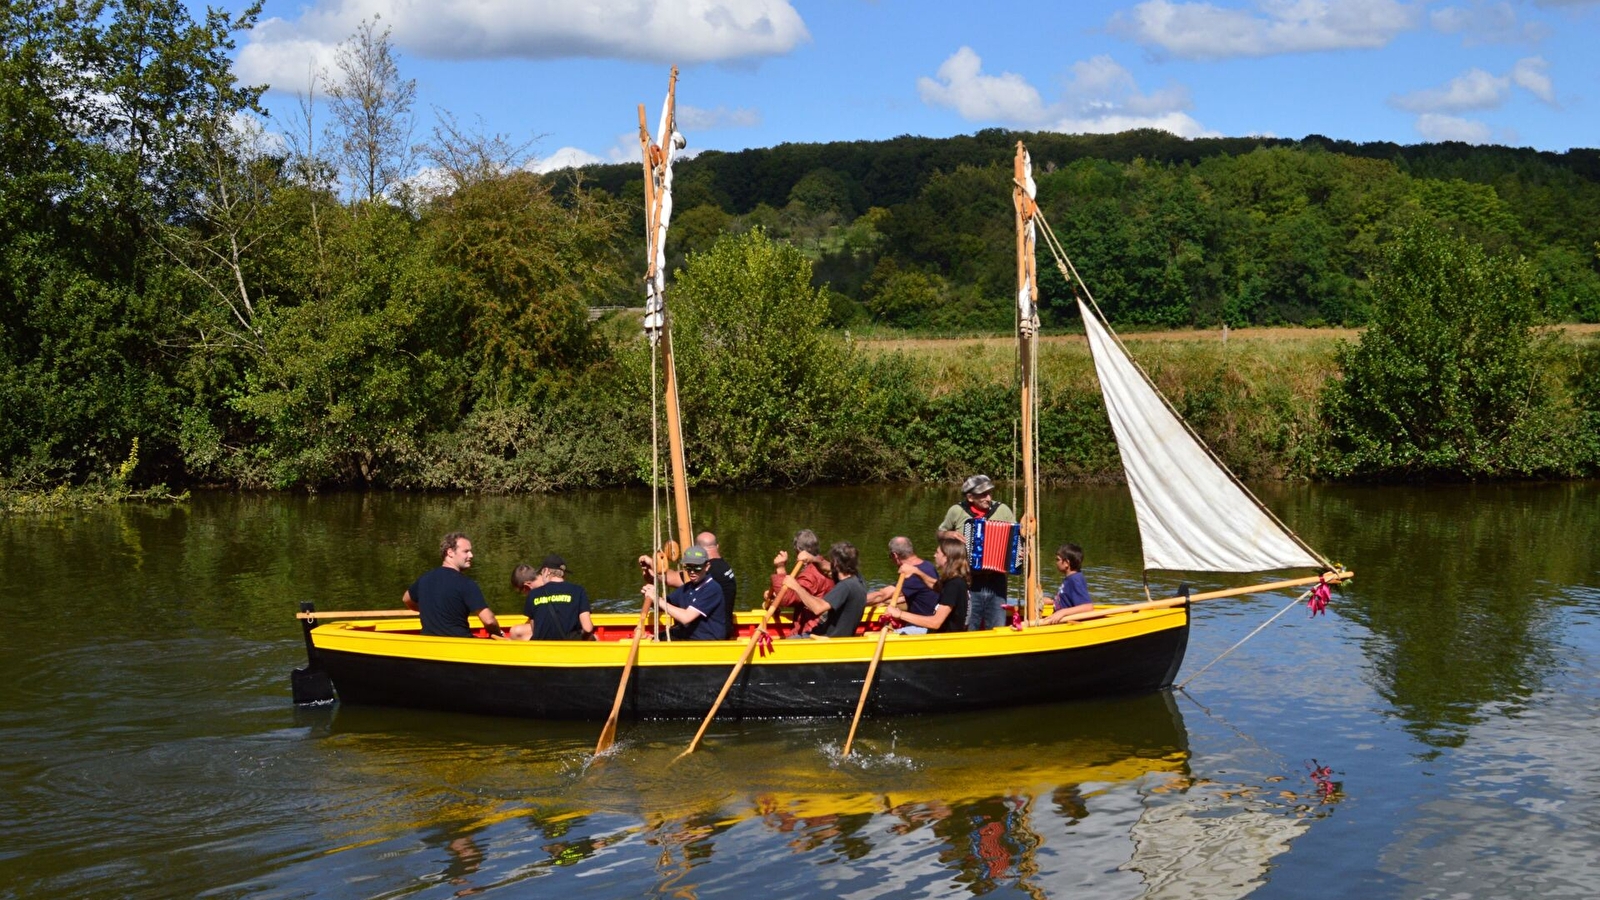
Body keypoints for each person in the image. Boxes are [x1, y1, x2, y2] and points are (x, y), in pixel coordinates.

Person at [937, 474, 1018, 631]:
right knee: (969, 624)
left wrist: (1018, 551)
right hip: (969, 578)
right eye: (983, 494)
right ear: (970, 497)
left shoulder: (1002, 510)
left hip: (997, 579)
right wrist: (949, 534)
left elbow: (1016, 537)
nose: (989, 498)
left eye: (990, 493)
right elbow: (940, 533)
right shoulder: (957, 511)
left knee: (997, 624)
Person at [402, 532, 504, 638]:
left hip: (429, 643)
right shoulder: (466, 583)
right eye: (466, 551)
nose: (471, 555)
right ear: (450, 552)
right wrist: (499, 634)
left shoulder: (424, 579)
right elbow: (489, 621)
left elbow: (406, 599)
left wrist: (429, 611)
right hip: (460, 644)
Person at [638, 531, 738, 636]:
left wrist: (653, 564)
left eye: (697, 568)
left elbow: (686, 617)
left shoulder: (711, 585)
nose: (692, 572)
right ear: (717, 546)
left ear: (706, 566)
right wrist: (651, 595)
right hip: (698, 629)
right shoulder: (692, 584)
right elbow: (663, 604)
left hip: (707, 636)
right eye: (688, 568)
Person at [780, 541, 868, 638]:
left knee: (784, 643)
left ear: (836, 563)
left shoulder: (845, 586)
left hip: (828, 639)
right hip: (831, 635)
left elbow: (818, 609)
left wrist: (796, 586)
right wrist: (812, 558)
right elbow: (826, 567)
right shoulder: (857, 580)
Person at [884, 536, 970, 635]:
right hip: (936, 633)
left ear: (946, 557)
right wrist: (916, 571)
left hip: (944, 638)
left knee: (883, 636)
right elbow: (936, 586)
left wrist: (899, 614)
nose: (934, 555)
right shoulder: (952, 580)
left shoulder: (954, 585)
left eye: (937, 553)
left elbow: (935, 623)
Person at [506, 554, 594, 640]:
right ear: (563, 574)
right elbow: (587, 628)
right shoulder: (578, 590)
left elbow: (535, 631)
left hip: (543, 646)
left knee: (516, 632)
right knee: (594, 637)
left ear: (546, 571)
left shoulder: (533, 595)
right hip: (570, 643)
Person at [769, 528, 834, 636]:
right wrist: (775, 594)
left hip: (811, 629)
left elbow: (787, 599)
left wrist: (780, 568)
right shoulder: (826, 566)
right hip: (824, 625)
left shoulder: (810, 574)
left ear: (798, 550)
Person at [866, 536, 938, 620]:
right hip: (930, 615)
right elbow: (908, 596)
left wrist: (855, 601)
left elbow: (881, 596)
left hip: (920, 624)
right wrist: (885, 602)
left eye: (890, 556)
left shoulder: (911, 575)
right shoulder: (928, 565)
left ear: (895, 555)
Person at [1041, 543, 1094, 624]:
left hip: (1065, 624)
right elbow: (1067, 599)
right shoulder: (1070, 578)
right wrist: (1052, 601)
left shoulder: (1075, 580)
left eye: (1058, 559)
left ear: (1066, 563)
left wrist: (1063, 612)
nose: (1056, 562)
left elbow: (1088, 607)